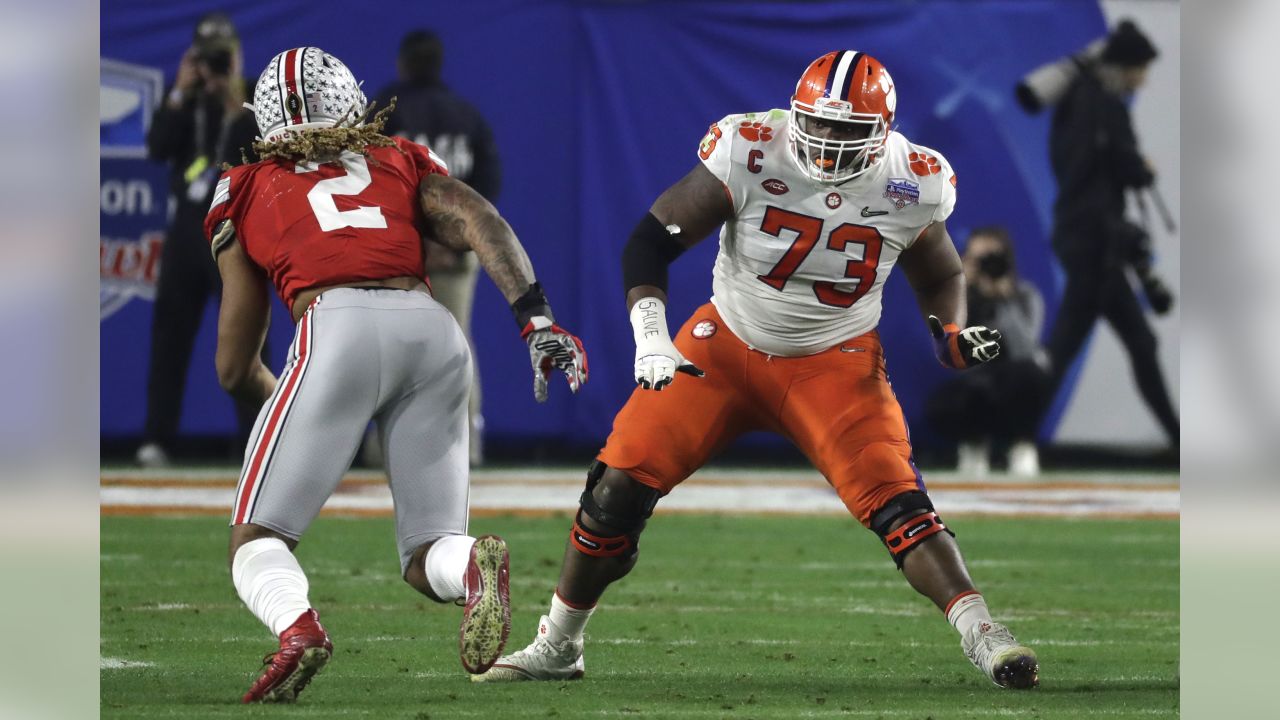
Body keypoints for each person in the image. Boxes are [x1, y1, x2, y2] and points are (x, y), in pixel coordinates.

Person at [475, 51, 1038, 690]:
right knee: (615, 491)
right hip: (725, 348)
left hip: (835, 361)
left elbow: (939, 272)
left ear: (881, 135)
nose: (824, 144)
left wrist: (953, 335)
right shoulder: (751, 146)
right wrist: (653, 336)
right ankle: (559, 644)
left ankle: (984, 633)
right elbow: (651, 241)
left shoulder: (915, 180)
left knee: (899, 503)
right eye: (815, 125)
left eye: (844, 132)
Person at [205, 47, 589, 703]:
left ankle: (298, 629)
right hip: (432, 330)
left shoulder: (242, 185)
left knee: (256, 540)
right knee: (427, 552)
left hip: (336, 327)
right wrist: (536, 320)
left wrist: (306, 412)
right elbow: (480, 218)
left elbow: (235, 365)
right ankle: (469, 565)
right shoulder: (400, 156)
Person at [1043, 19, 1179, 447]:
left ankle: (1178, 439)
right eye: (1141, 69)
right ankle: (1012, 434)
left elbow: (1072, 163)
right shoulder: (1105, 105)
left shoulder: (1073, 102)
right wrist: (1142, 169)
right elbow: (1125, 164)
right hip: (1096, 243)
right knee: (1069, 347)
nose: (1143, 80)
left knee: (1138, 342)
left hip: (1083, 235)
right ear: (1125, 66)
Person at [370, 29, 502, 466]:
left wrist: (415, 241)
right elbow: (487, 189)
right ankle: (469, 446)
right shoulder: (466, 115)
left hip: (397, 252)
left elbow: (367, 184)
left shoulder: (385, 112)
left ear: (404, 63)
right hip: (456, 252)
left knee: (390, 345)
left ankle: (383, 449)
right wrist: (456, 241)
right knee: (457, 343)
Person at [137, 12, 262, 467]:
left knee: (248, 338)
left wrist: (235, 105)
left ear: (237, 54)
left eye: (221, 56)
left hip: (238, 231)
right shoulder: (185, 101)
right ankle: (157, 439)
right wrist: (177, 94)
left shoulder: (252, 99)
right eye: (205, 56)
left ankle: (255, 442)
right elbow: (156, 148)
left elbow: (264, 154)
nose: (213, 65)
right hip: (188, 229)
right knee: (170, 337)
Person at [924, 226, 1050, 476]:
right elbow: (947, 351)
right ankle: (973, 443)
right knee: (950, 399)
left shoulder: (1025, 295)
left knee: (1032, 374)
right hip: (977, 384)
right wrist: (960, 290)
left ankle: (1022, 446)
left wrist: (1002, 299)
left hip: (1013, 383)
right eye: (978, 259)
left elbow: (1026, 350)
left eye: (991, 259)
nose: (985, 266)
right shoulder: (959, 299)